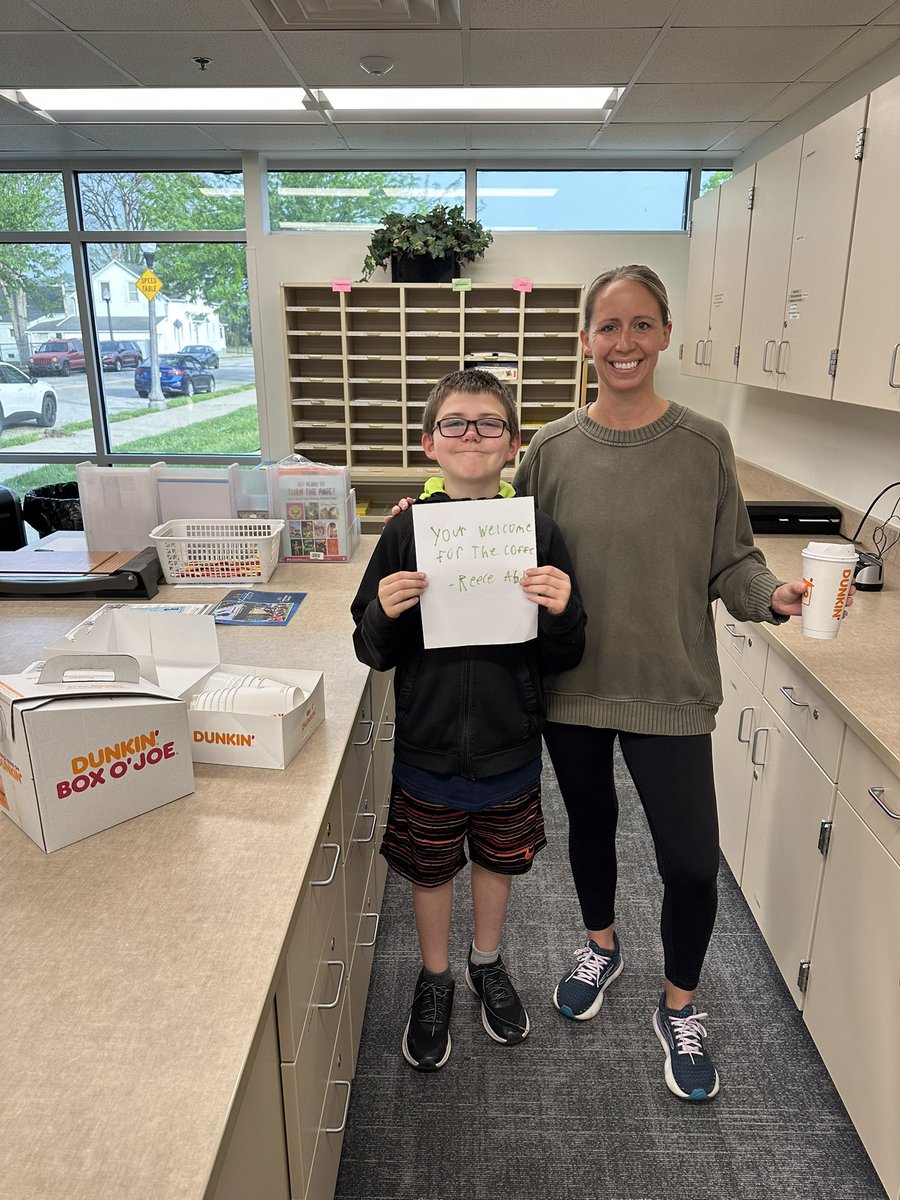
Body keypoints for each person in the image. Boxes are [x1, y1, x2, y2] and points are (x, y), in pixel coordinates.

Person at [511, 263, 821, 1102]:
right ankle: (601, 944)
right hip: (572, 685)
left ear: (666, 334)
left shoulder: (703, 444)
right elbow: (508, 552)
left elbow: (733, 561)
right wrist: (425, 526)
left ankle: (679, 1004)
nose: (625, 343)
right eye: (609, 326)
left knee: (689, 864)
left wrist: (772, 597)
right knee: (591, 828)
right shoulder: (550, 449)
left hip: (671, 686)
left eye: (641, 324)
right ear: (585, 339)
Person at [351, 368, 586, 1072]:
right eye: (454, 422)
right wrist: (383, 609)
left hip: (509, 743)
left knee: (496, 859)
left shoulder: (538, 533)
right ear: (430, 443)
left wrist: (562, 609)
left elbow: (566, 654)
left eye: (489, 423)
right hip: (427, 746)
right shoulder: (404, 533)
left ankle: (487, 961)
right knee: (429, 868)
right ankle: (436, 977)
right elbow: (370, 649)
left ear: (513, 444)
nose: (472, 434)